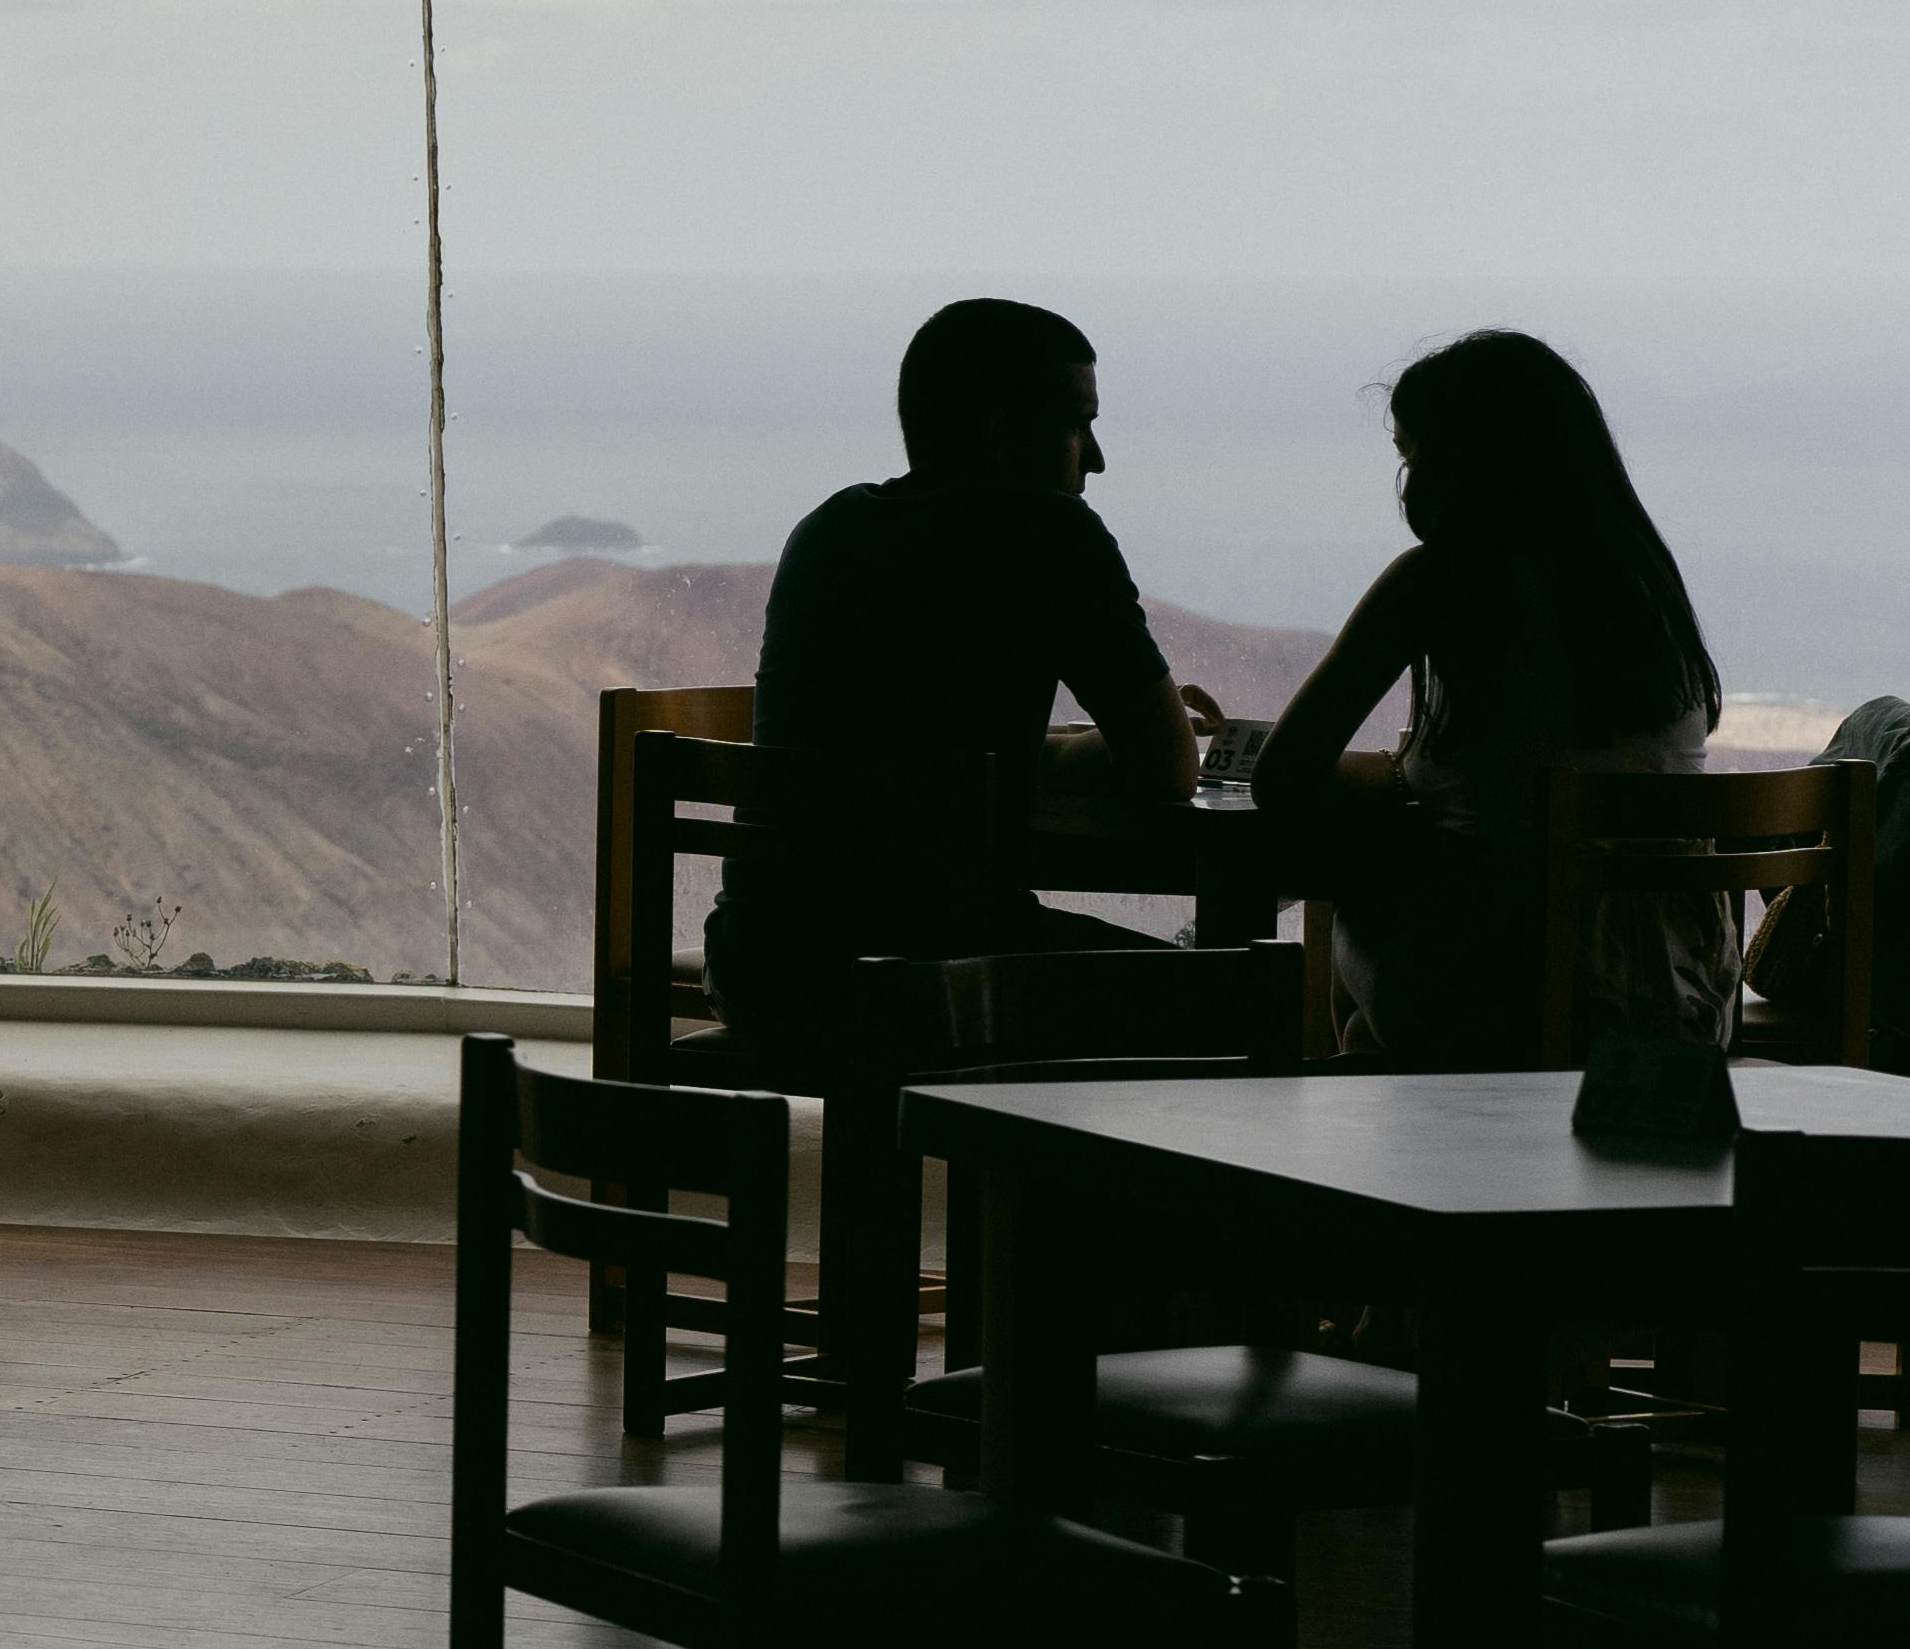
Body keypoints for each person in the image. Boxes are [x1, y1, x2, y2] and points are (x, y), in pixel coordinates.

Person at [703, 297, 1206, 1070]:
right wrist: (1126, 739)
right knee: (1233, 998)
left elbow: (915, 739)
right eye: (1077, 424)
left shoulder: (828, 528)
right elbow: (1169, 772)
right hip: (933, 975)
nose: (1097, 458)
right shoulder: (1049, 532)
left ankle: (976, 1158)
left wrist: (1072, 745)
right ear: (998, 427)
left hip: (761, 966)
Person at [1254, 327, 1728, 1067]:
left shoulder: (1434, 584)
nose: (1407, 483)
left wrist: (1386, 784)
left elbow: (1282, 777)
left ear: (1458, 463)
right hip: (1673, 996)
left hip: (1508, 993)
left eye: (1411, 457)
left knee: (1365, 914)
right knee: (1368, 1045)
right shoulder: (1645, 590)